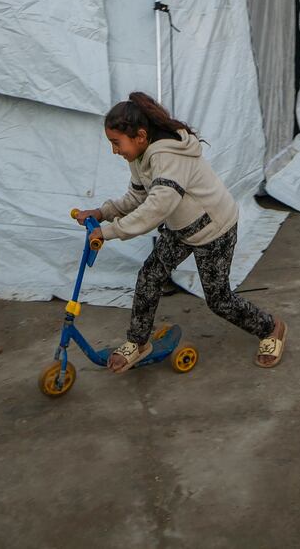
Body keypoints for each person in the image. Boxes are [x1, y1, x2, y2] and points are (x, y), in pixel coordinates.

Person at [73, 92, 287, 371]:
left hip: (214, 229)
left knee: (219, 300)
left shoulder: (169, 157)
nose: (115, 150)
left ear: (140, 136)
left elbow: (156, 209)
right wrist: (103, 213)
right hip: (180, 227)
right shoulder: (139, 157)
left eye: (116, 143)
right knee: (149, 276)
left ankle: (271, 328)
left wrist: (109, 231)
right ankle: (138, 343)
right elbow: (138, 197)